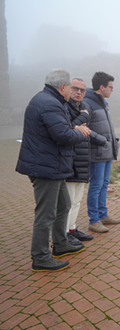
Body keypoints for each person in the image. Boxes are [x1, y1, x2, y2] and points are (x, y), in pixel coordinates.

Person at [16, 69, 91, 272]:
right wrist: (80, 132)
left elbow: (58, 130)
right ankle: (40, 257)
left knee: (63, 205)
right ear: (63, 87)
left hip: (53, 165)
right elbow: (62, 135)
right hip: (46, 166)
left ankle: (61, 243)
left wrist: (71, 130)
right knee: (46, 214)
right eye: (70, 87)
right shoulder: (49, 103)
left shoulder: (47, 100)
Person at [65, 78, 107, 244]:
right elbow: (64, 129)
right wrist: (81, 119)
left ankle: (72, 229)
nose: (79, 92)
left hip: (83, 161)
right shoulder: (63, 107)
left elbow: (86, 131)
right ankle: (63, 235)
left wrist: (102, 140)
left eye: (82, 90)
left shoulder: (84, 107)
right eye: (75, 89)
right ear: (67, 88)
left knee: (76, 201)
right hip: (68, 161)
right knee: (66, 203)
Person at [84, 71, 120, 233]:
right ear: (101, 87)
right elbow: (84, 128)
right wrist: (101, 140)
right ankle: (94, 220)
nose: (112, 90)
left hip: (107, 151)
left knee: (104, 184)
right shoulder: (87, 103)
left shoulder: (103, 103)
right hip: (97, 151)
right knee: (96, 185)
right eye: (110, 87)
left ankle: (103, 214)